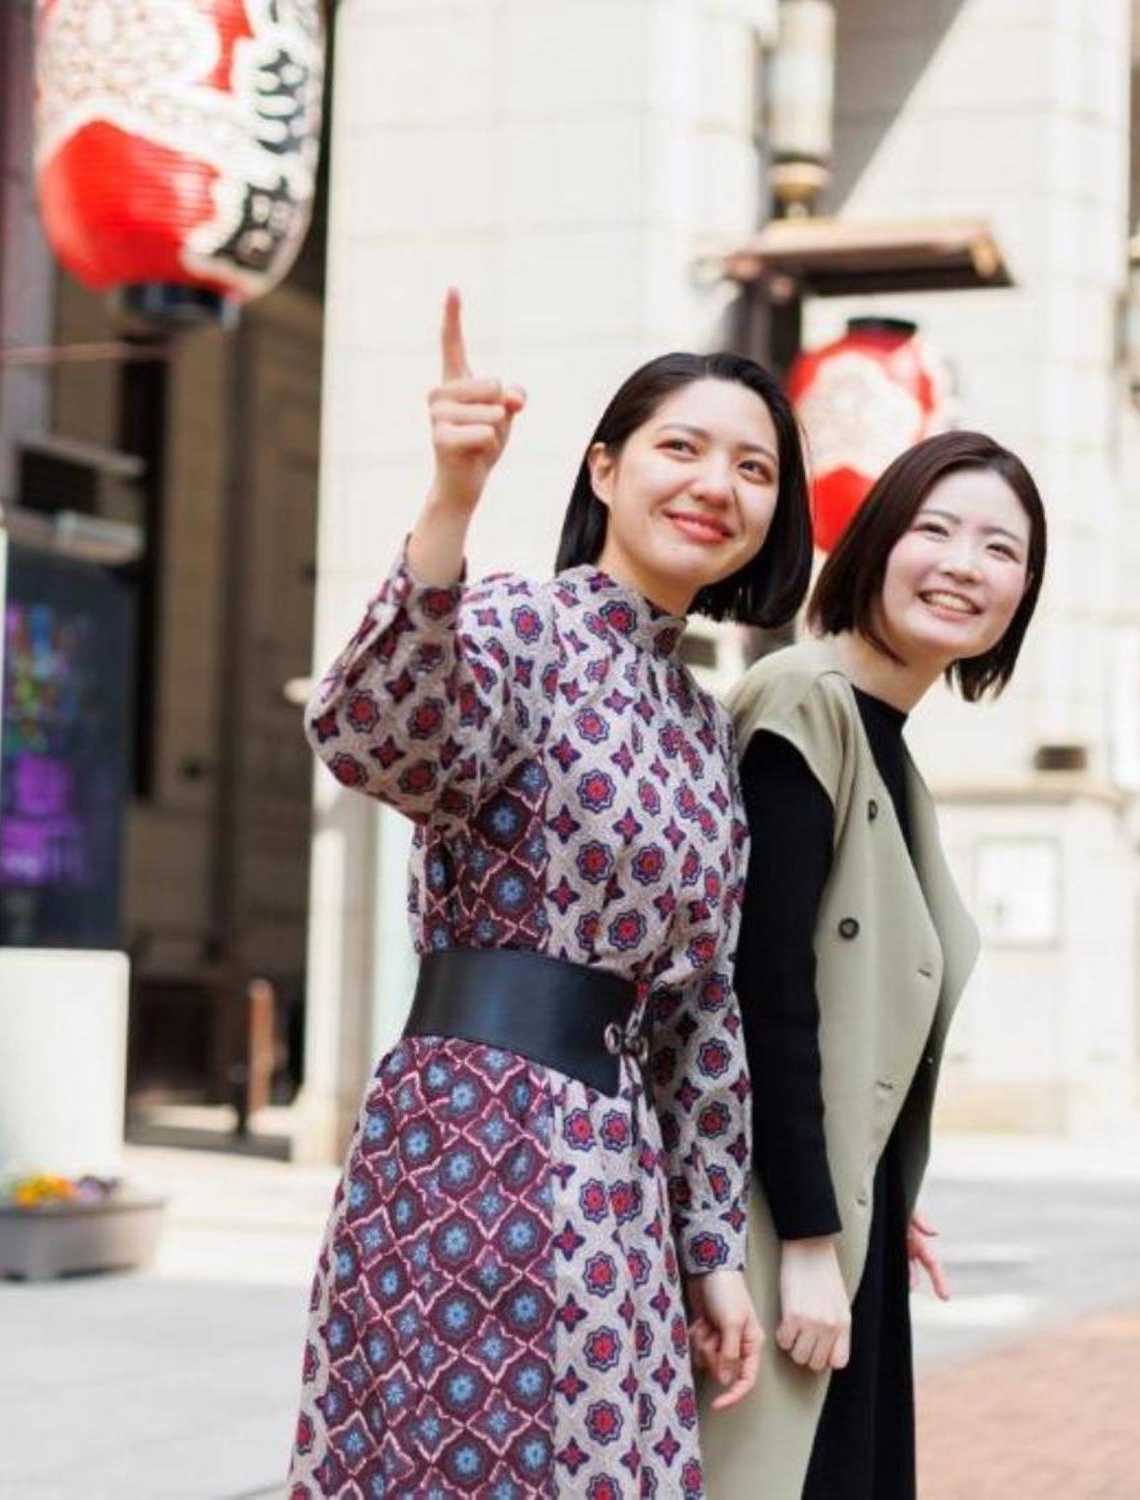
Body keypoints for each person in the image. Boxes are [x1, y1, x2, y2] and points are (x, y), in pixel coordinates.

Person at [288, 292, 813, 1497]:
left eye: (753, 468)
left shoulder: (698, 725)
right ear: (606, 467)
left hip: (616, 1166)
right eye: (681, 448)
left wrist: (711, 1253)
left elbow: (699, 1017)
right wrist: (451, 498)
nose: (714, 486)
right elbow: (378, 736)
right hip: (470, 1136)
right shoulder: (523, 621)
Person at [700, 430, 1048, 1499]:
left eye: (1000, 549)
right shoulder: (804, 702)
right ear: (875, 543)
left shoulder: (890, 745)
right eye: (933, 529)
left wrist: (881, 1187)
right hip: (781, 1231)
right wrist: (808, 1233)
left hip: (845, 1222)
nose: (961, 565)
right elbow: (761, 989)